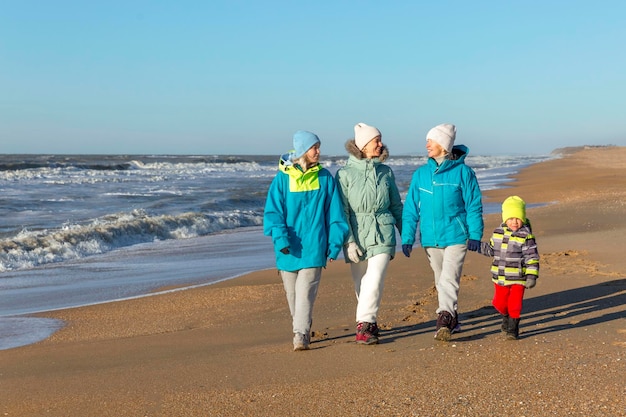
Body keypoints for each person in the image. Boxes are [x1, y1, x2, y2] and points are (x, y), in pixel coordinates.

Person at [263, 130, 348, 351]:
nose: (318, 152)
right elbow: (273, 213)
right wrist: (280, 239)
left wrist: (334, 244)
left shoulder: (325, 178)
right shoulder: (282, 179)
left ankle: (300, 334)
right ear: (302, 150)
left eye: (318, 147)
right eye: (314, 147)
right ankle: (303, 325)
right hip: (287, 248)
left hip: (314, 246)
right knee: (293, 295)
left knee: (305, 292)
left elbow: (335, 214)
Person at [401, 123, 484, 342]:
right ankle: (453, 317)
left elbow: (474, 205)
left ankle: (444, 317)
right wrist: (408, 237)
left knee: (449, 278)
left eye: (431, 140)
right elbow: (411, 208)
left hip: (456, 235)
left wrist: (475, 234)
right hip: (430, 238)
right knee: (441, 280)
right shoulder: (420, 175)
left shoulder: (464, 173)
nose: (427, 144)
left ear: (444, 145)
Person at [335, 122, 403, 345]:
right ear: (363, 145)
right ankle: (368, 325)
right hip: (357, 232)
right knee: (362, 284)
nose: (381, 144)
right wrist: (349, 241)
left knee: (374, 279)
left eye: (380, 140)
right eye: (376, 140)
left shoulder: (385, 172)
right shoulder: (343, 175)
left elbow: (396, 205)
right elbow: (342, 211)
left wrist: (407, 231)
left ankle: (364, 324)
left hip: (383, 230)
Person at [470, 195, 539, 340]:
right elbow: (490, 250)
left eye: (518, 218)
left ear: (523, 218)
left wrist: (532, 276)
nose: (514, 222)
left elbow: (531, 257)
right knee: (499, 303)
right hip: (500, 276)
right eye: (511, 218)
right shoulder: (497, 233)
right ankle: (506, 318)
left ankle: (512, 330)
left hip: (518, 278)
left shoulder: (526, 236)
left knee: (515, 304)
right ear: (505, 218)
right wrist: (478, 246)